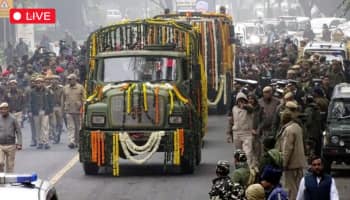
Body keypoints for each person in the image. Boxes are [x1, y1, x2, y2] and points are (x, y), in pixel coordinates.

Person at [275, 109, 306, 200]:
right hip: (299, 162)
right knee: (299, 186)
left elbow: (287, 149)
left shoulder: (288, 130)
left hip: (291, 164)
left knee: (291, 188)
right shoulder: (297, 127)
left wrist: (284, 163)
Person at [229, 92, 255, 168]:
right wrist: (228, 134)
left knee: (247, 152)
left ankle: (248, 168)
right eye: (239, 100)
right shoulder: (234, 108)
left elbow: (251, 109)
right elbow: (231, 122)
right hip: (236, 133)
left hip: (246, 133)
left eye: (242, 100)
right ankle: (239, 168)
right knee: (238, 152)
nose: (240, 102)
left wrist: (244, 106)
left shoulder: (249, 108)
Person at [63, 73, 85, 148]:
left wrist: (82, 104)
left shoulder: (80, 87)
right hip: (68, 109)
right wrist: (63, 108)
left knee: (78, 127)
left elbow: (84, 98)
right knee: (70, 126)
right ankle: (71, 141)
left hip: (77, 110)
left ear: (75, 79)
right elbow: (63, 99)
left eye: (70, 79)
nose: (69, 81)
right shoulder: (65, 88)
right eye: (68, 79)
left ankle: (77, 141)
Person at [0, 102, 22, 172]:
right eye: (1, 109)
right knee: (0, 163)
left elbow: (18, 132)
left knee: (10, 166)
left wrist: (19, 143)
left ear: (8, 109)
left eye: (4, 109)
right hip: (0, 145)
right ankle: (1, 178)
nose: (3, 111)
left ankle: (9, 181)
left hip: (11, 145)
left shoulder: (13, 119)